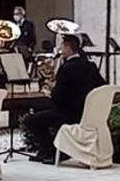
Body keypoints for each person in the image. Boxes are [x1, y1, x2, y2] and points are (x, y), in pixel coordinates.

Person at [23, 34, 106, 163]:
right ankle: (49, 151)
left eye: (61, 46)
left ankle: (50, 151)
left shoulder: (67, 68)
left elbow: (59, 98)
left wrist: (49, 91)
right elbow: (102, 86)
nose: (60, 49)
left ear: (68, 48)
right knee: (43, 113)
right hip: (86, 113)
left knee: (31, 120)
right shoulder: (90, 66)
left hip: (69, 113)